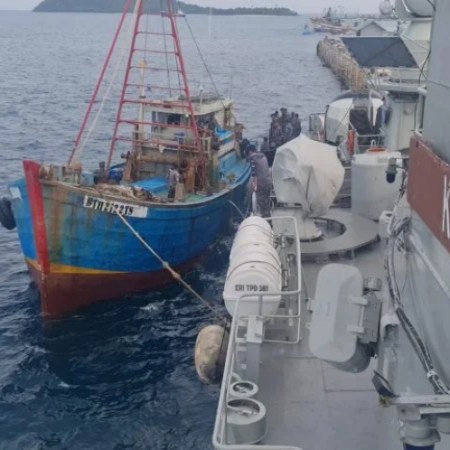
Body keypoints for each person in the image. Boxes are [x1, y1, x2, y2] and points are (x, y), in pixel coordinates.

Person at [248, 145, 272, 218]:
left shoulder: (253, 158)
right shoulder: (263, 156)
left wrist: (254, 186)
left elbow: (254, 174)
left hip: (261, 184)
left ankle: (265, 221)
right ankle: (269, 220)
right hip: (268, 183)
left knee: (261, 205)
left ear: (250, 152)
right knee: (266, 204)